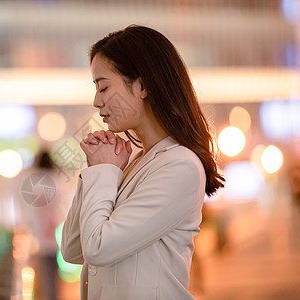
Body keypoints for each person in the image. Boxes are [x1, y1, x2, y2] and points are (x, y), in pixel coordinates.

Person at [61, 25, 225, 300]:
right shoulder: (134, 161)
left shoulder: (179, 165)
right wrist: (98, 170)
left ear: (143, 85)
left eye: (103, 87)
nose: (96, 101)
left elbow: (98, 248)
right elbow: (72, 249)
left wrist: (103, 170)